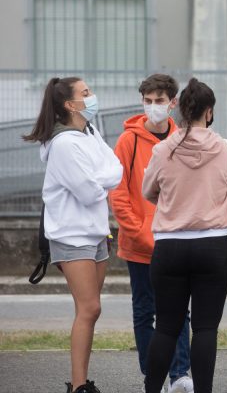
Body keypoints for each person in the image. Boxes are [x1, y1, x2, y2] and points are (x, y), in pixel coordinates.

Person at [24, 77, 123, 393]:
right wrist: (104, 180)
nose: (92, 96)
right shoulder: (64, 144)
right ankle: (79, 385)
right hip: (71, 235)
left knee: (90, 310)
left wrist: (103, 179)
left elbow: (115, 168)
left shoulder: (90, 133)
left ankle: (81, 381)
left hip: (96, 232)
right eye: (86, 93)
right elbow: (89, 192)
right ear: (69, 104)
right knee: (90, 307)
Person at [142, 78, 227, 393]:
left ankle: (152, 389)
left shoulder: (162, 149)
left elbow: (149, 191)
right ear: (209, 112)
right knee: (206, 328)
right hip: (214, 243)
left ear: (181, 110)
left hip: (170, 245)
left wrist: (175, 204)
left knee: (167, 327)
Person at [108, 74, 193, 393]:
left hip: (175, 243)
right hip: (139, 246)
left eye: (159, 100)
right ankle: (151, 373)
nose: (153, 106)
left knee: (178, 311)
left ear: (173, 103)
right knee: (145, 310)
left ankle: (180, 374)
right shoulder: (127, 141)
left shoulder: (183, 138)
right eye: (148, 100)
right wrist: (141, 233)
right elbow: (118, 194)